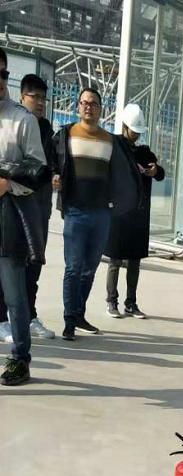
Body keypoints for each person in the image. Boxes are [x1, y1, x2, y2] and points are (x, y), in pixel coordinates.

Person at [53, 87, 142, 340]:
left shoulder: (109, 140)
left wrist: (121, 202)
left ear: (101, 109)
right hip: (75, 212)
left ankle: (78, 313)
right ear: (78, 107)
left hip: (101, 214)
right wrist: (54, 176)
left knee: (89, 268)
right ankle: (70, 321)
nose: (88, 107)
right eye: (84, 103)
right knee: (73, 268)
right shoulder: (66, 135)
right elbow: (51, 161)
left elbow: (122, 173)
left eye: (93, 103)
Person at [0, 49, 47, 386]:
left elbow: (38, 170)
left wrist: (6, 180)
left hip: (9, 215)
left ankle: (20, 358)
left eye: (3, 74)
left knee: (14, 294)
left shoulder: (22, 120)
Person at [0, 72, 56, 343]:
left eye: (44, 98)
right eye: (36, 96)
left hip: (35, 207)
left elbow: (46, 168)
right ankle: (4, 320)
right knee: (10, 267)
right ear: (23, 96)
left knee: (31, 266)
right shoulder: (15, 122)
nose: (41, 102)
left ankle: (28, 319)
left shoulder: (44, 129)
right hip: (14, 205)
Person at [104, 103, 164, 320]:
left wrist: (154, 170)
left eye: (139, 132)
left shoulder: (144, 152)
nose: (136, 135)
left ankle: (131, 302)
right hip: (119, 213)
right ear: (124, 126)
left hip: (138, 214)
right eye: (133, 131)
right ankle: (111, 301)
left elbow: (160, 173)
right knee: (115, 259)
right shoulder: (114, 147)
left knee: (135, 260)